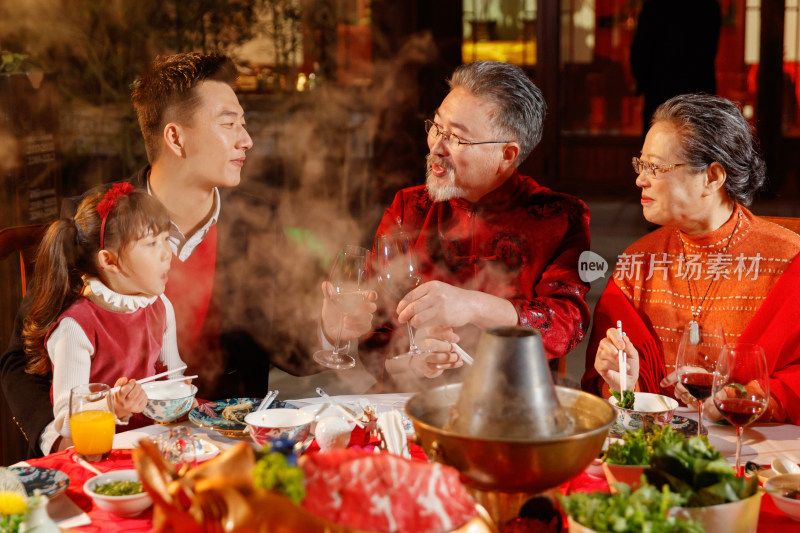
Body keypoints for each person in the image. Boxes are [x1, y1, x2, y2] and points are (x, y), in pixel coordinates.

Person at [1, 52, 317, 457]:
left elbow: (286, 346)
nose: (246, 139)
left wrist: (331, 329)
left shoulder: (259, 221)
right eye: (229, 123)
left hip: (226, 453)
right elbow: (19, 362)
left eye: (244, 123)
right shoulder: (96, 225)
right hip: (108, 454)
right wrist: (63, 440)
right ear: (175, 137)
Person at [321, 60, 591, 389]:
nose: (436, 147)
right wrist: (410, 362)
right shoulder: (410, 207)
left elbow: (568, 323)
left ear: (507, 154)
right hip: (411, 400)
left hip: (514, 401)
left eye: (458, 140)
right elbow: (376, 328)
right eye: (436, 128)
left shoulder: (558, 216)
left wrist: (474, 305)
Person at [582, 93, 800, 424]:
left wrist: (742, 397)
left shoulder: (787, 261)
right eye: (641, 165)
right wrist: (624, 388)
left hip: (755, 447)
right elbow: (612, 389)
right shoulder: (637, 263)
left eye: (655, 167)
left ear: (712, 177)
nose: (641, 179)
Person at [22, 185, 187, 452]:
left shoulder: (160, 307)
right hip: (99, 445)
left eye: (166, 239)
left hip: (151, 438)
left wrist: (181, 387)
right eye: (151, 243)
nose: (167, 253)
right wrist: (114, 404)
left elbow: (174, 373)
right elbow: (67, 421)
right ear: (109, 261)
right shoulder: (76, 326)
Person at [630, 0, 721, 134]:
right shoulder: (710, 5)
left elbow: (640, 54)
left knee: (659, 147)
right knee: (698, 147)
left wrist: (643, 82)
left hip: (660, 93)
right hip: (699, 94)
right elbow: (710, 51)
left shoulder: (655, 6)